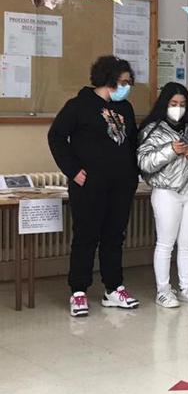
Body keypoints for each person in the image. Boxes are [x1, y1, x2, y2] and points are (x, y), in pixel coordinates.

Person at [48, 55, 141, 317]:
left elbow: (132, 143)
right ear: (109, 80)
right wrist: (73, 171)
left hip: (121, 185)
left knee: (114, 237)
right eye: (124, 81)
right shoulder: (79, 105)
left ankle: (114, 288)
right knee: (86, 237)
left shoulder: (126, 108)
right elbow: (56, 137)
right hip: (89, 185)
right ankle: (78, 292)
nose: (127, 86)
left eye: (129, 82)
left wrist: (134, 173)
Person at [137, 83, 188, 308]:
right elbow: (144, 163)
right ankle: (163, 290)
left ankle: (187, 287)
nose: (178, 108)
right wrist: (170, 150)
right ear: (165, 104)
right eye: (174, 104)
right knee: (165, 243)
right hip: (167, 192)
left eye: (182, 104)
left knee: (187, 243)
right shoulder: (152, 129)